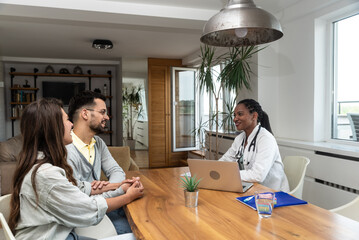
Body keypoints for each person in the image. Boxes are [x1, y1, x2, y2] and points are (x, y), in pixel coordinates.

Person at [8, 98, 144, 240]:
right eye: (66, 120)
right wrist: (127, 196)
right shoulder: (46, 174)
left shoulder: (44, 164)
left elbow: (79, 187)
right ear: (54, 128)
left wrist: (120, 186)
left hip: (63, 231)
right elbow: (88, 208)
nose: (71, 124)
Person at [66, 90, 139, 234]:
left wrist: (111, 187)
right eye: (103, 112)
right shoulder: (65, 151)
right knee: (136, 231)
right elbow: (80, 200)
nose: (107, 117)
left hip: (105, 206)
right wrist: (121, 189)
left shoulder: (98, 143)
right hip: (85, 219)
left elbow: (116, 171)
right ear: (85, 114)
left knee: (142, 216)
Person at [219, 99, 289, 192]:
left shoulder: (266, 139)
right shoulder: (239, 139)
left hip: (272, 194)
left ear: (254, 116)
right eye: (234, 115)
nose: (235, 118)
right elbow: (224, 162)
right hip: (251, 189)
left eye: (240, 114)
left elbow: (258, 175)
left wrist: (228, 174)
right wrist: (215, 170)